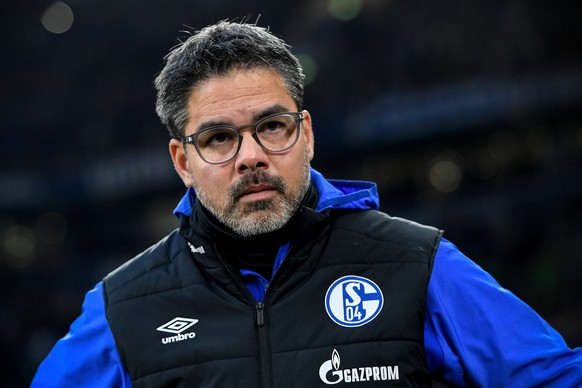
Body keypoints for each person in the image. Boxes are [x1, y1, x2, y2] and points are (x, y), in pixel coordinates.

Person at [32, 20, 581, 387]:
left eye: (271, 126)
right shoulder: (123, 307)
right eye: (220, 138)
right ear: (182, 161)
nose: (252, 156)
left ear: (307, 135)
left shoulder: (419, 264)